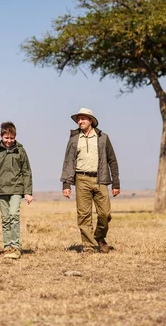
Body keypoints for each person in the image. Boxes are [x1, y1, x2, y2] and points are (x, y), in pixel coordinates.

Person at [61, 108, 120, 253]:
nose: (80, 121)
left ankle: (99, 237)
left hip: (100, 180)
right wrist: (66, 184)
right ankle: (88, 247)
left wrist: (116, 182)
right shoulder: (74, 139)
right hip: (81, 179)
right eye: (78, 119)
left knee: (105, 214)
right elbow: (69, 161)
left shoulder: (103, 138)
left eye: (83, 119)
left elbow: (112, 160)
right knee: (84, 215)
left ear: (91, 121)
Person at [0, 122, 33, 259]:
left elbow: (27, 172)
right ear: (1, 136)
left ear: (15, 137)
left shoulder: (20, 150)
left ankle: (15, 247)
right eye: (6, 138)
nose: (9, 141)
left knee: (14, 216)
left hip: (17, 189)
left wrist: (28, 192)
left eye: (11, 138)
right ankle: (7, 247)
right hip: (1, 190)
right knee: (5, 219)